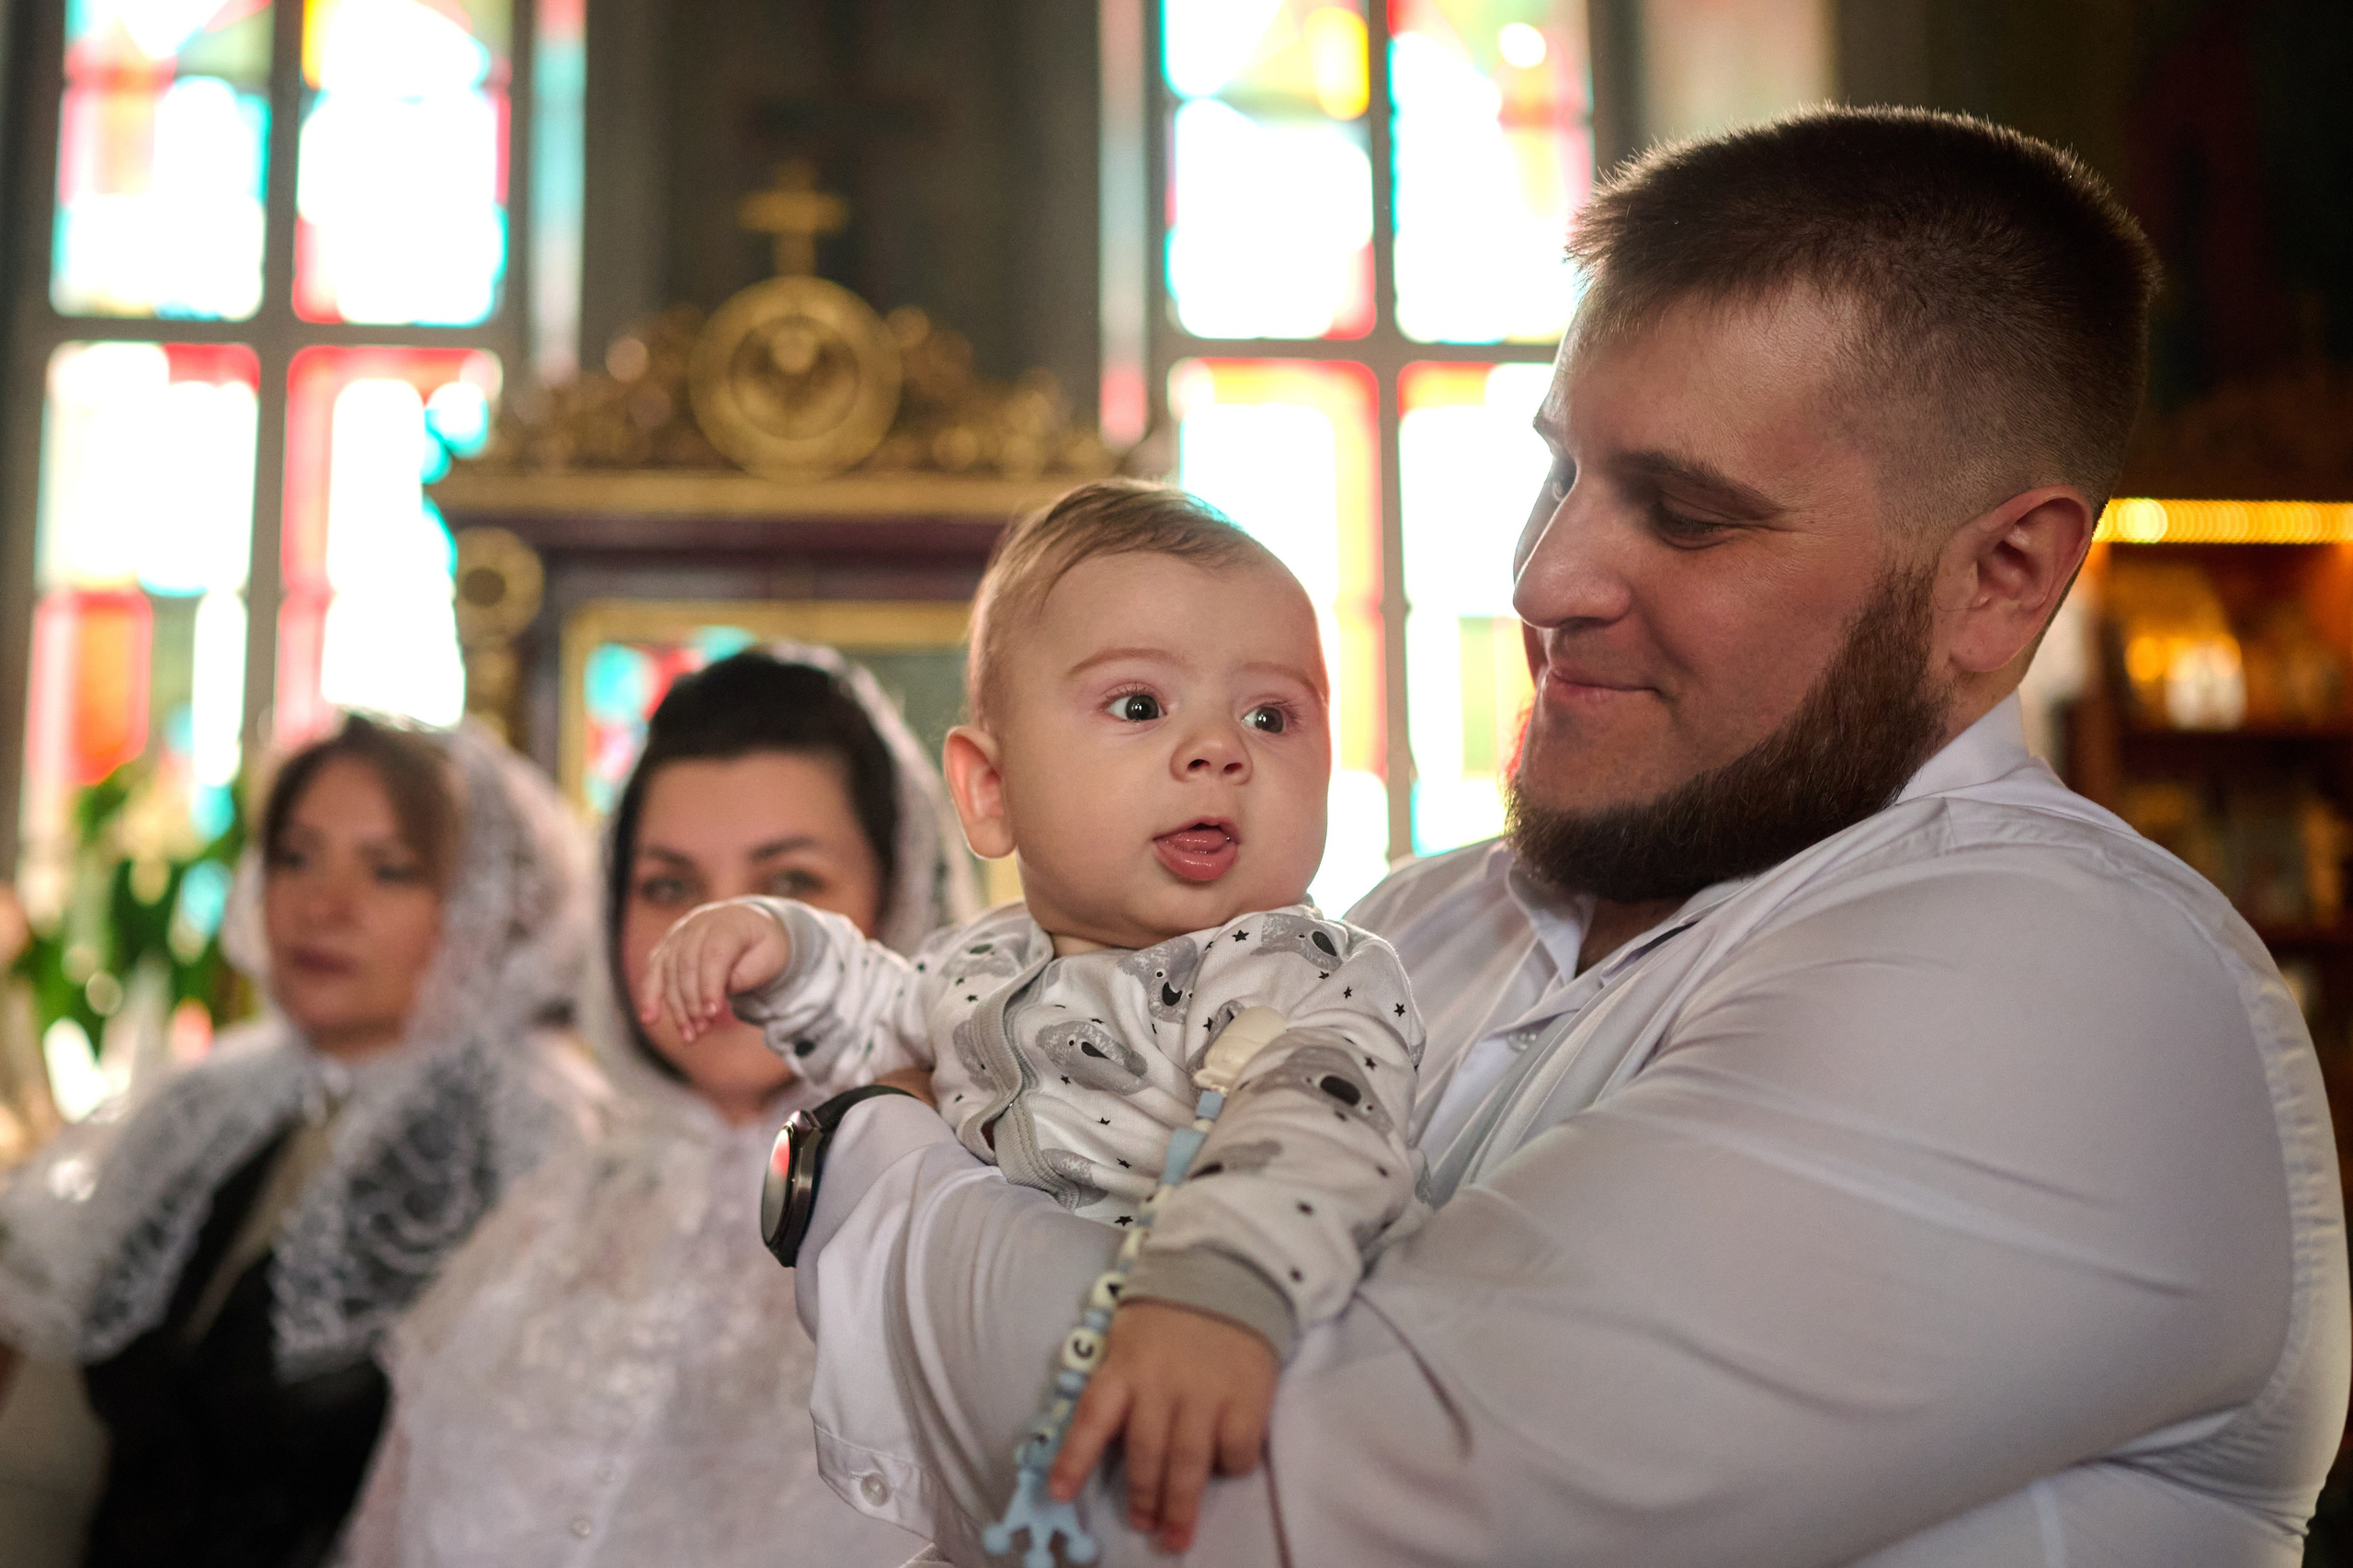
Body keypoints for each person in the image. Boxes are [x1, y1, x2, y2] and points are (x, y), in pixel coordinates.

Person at [781, 107, 2351, 1566]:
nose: (1546, 579)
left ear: (2000, 577)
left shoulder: (2070, 986)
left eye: (1685, 511)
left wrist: (858, 1165)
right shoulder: (1421, 915)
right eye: (1563, 470)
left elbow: (1256, 1510)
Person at [645, 483, 1426, 1551]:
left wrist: (1217, 1288)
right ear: (990, 790)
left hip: (1222, 1402)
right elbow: (882, 1028)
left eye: (1270, 715)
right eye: (1142, 706)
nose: (1218, 750)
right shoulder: (985, 961)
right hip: (1003, 1452)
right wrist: (786, 953)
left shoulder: (1294, 968)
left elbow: (1315, 1124)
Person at [340, 646, 975, 1567]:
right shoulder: (541, 1221)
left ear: (895, 901)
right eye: (669, 886)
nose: (722, 940)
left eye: (789, 884)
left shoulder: (954, 1234)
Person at [0, 717, 601, 1568]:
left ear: (488, 909)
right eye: (296, 856)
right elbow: (43, 1462)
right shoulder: (198, 1110)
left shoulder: (536, 1143)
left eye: (389, 870)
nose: (324, 905)